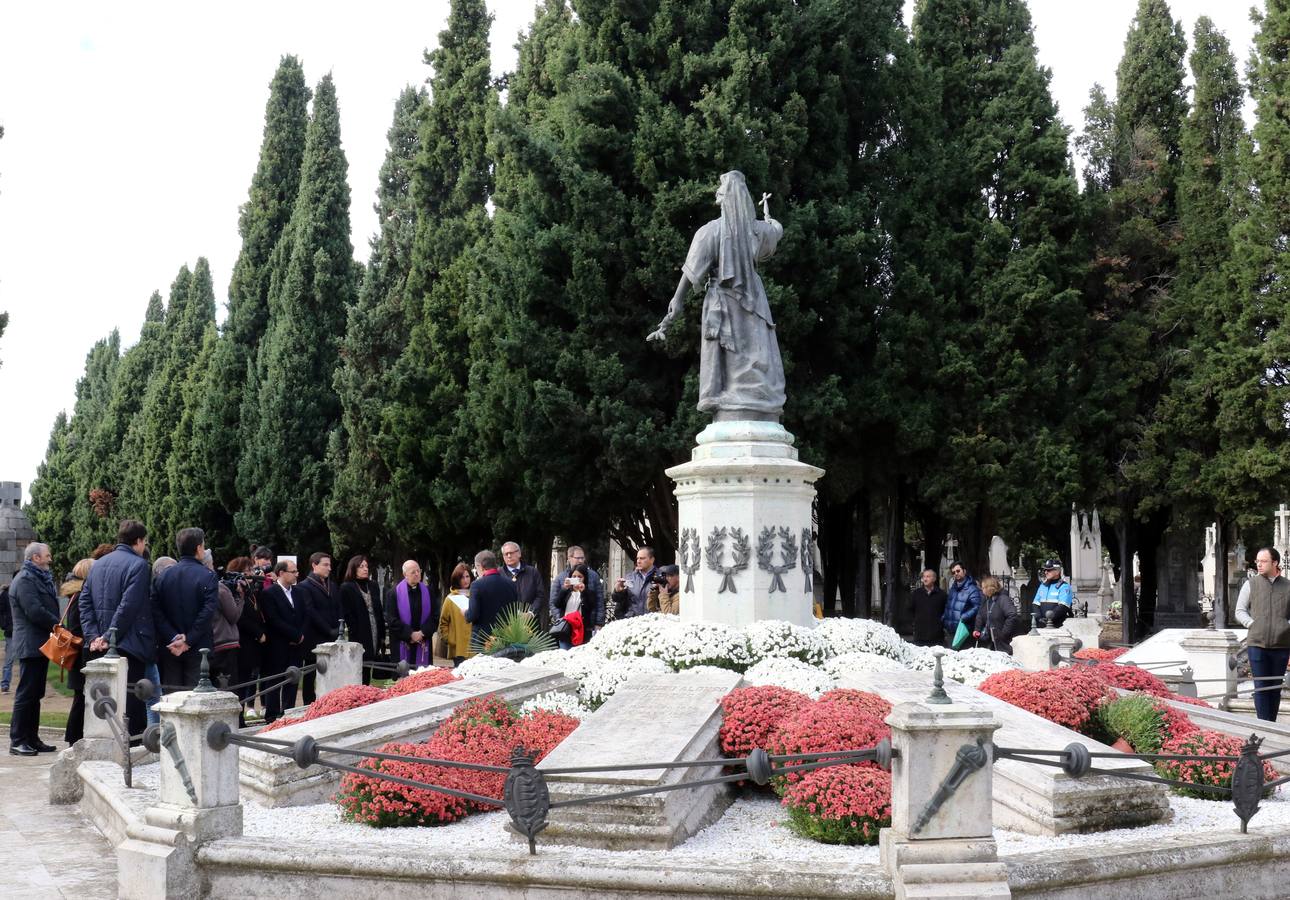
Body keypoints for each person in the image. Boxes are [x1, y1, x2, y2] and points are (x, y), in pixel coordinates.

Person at [646, 171, 785, 420]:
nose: (717, 193)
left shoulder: (710, 232)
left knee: (735, 353)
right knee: (753, 351)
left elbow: (691, 272)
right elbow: (776, 230)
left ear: (724, 198)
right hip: (753, 299)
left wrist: (677, 300)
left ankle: (740, 402)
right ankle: (748, 402)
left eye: (720, 191)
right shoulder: (757, 231)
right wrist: (768, 215)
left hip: (721, 299)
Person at [79, 520, 154, 736]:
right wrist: (105, 636)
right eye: (144, 542)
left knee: (106, 702)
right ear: (138, 541)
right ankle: (131, 752)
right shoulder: (139, 565)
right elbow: (128, 606)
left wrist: (94, 636)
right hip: (129, 643)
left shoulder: (98, 564)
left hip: (102, 644)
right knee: (131, 704)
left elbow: (85, 603)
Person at [152, 528, 219, 691]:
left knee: (171, 700)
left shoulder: (162, 577)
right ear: (198, 548)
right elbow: (208, 611)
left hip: (170, 646)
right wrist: (188, 639)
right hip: (198, 648)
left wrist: (174, 637)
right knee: (195, 700)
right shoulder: (207, 576)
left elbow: (156, 610)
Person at [9, 543, 59, 755]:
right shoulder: (24, 580)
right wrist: (58, 625)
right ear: (36, 558)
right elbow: (35, 611)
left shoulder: (36, 577)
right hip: (29, 644)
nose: (50, 559)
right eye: (48, 556)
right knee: (26, 693)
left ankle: (32, 738)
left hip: (39, 644)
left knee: (35, 693)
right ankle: (18, 740)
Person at [1235, 547, 1290, 721]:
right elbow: (1240, 611)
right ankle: (1263, 725)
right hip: (1257, 645)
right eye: (1257, 561)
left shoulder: (1288, 586)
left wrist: (1286, 626)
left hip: (1281, 645)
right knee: (1260, 687)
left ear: (1275, 563)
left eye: (1263, 561)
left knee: (1275, 688)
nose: (1258, 564)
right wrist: (1252, 624)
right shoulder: (1250, 584)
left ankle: (1271, 724)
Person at [260, 559, 305, 723]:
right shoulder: (269, 593)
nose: (296, 574)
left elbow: (304, 615)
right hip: (277, 645)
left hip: (296, 646)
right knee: (274, 681)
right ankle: (271, 717)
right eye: (293, 572)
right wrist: (293, 635)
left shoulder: (299, 592)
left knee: (292, 682)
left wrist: (300, 635)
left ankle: (288, 714)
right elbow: (273, 619)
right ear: (281, 573)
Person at [296, 552, 340, 704]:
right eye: (325, 565)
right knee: (311, 674)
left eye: (329, 565)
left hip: (333, 636)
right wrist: (328, 630)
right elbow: (310, 611)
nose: (329, 568)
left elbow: (337, 608)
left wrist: (338, 628)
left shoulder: (332, 586)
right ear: (314, 565)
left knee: (331, 672)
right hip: (313, 637)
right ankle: (309, 704)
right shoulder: (304, 586)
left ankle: (330, 701)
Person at [62, 558, 94, 746]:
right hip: (79, 655)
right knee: (80, 699)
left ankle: (74, 737)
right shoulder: (79, 595)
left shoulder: (77, 593)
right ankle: (73, 738)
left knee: (80, 698)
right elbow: (75, 627)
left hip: (79, 655)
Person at [229, 556, 267, 714]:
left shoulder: (251, 592)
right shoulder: (236, 593)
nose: (251, 573)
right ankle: (239, 715)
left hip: (253, 643)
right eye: (247, 571)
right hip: (243, 641)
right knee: (242, 680)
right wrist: (258, 633)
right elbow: (241, 618)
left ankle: (244, 712)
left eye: (252, 570)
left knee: (250, 677)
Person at [339, 555, 385, 684]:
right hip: (360, 632)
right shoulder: (346, 587)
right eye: (361, 566)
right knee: (360, 666)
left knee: (371, 664)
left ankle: (367, 691)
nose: (365, 569)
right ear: (353, 569)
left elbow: (379, 610)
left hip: (375, 628)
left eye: (366, 566)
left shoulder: (373, 585)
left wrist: (381, 634)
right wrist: (355, 630)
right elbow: (347, 613)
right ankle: (359, 693)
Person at [204, 550, 244, 692]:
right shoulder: (220, 588)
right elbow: (233, 616)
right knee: (229, 689)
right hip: (225, 644)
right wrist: (240, 597)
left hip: (206, 644)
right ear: (209, 565)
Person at [385, 560, 437, 669]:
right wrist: (410, 634)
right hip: (402, 641)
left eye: (419, 571)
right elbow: (391, 619)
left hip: (423, 640)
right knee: (403, 680)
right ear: (405, 575)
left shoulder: (428, 591)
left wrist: (422, 633)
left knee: (424, 679)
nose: (417, 574)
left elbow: (435, 616)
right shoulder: (394, 593)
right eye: (413, 572)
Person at [550, 547, 605, 648]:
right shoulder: (560, 578)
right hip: (566, 626)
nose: (581, 560)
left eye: (582, 558)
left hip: (586, 626)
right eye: (578, 558)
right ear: (569, 558)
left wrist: (599, 623)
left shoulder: (593, 576)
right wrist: (562, 620)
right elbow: (554, 603)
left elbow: (599, 602)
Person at [466, 549, 517, 644]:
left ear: (480, 566)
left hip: (482, 639)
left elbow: (472, 616)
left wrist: (465, 613)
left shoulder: (477, 585)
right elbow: (514, 612)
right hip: (506, 637)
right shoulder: (511, 584)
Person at [500, 542, 547, 633]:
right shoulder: (499, 574)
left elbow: (540, 595)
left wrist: (531, 613)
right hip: (506, 625)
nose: (509, 556)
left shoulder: (533, 572)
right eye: (506, 554)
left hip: (530, 624)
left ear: (519, 553)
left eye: (511, 553)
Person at [437, 563, 474, 666]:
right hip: (458, 648)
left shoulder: (476, 595)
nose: (466, 580)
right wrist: (450, 640)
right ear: (456, 579)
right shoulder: (450, 599)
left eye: (467, 576)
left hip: (476, 647)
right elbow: (443, 623)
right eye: (462, 577)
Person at [973, 575, 1019, 655]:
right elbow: (980, 615)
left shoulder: (1003, 599)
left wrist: (1003, 634)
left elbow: (1012, 615)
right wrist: (977, 629)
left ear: (989, 588)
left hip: (1003, 643)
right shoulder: (986, 600)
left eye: (983, 587)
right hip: (989, 642)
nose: (982, 590)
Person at [941, 562, 983, 648]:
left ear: (964, 571)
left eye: (958, 571)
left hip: (963, 630)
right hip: (950, 630)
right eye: (953, 572)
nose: (956, 574)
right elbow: (949, 605)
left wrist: (964, 616)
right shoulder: (953, 588)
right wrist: (944, 617)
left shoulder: (972, 589)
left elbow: (977, 606)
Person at [610, 546, 658, 621]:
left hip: (654, 621)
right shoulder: (629, 577)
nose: (638, 561)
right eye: (637, 558)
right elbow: (617, 600)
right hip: (633, 622)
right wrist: (617, 591)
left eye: (642, 558)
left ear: (652, 560)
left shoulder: (660, 576)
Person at [909, 568, 947, 647]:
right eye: (924, 577)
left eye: (928, 576)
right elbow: (910, 610)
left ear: (934, 579)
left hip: (937, 637)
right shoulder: (916, 594)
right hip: (920, 636)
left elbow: (946, 612)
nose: (925, 579)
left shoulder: (942, 595)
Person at [1033, 559, 1073, 628]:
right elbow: (1035, 604)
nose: (1046, 572)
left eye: (1049, 570)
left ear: (1057, 571)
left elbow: (1063, 607)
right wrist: (1039, 618)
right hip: (1041, 624)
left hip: (1058, 626)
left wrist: (1049, 619)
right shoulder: (1043, 586)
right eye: (1045, 570)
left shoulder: (1064, 587)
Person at [0, 570, 15, 692]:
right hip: (11, 631)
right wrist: (4, 625)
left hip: (24, 632)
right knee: (9, 659)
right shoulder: (5, 594)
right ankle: (5, 684)